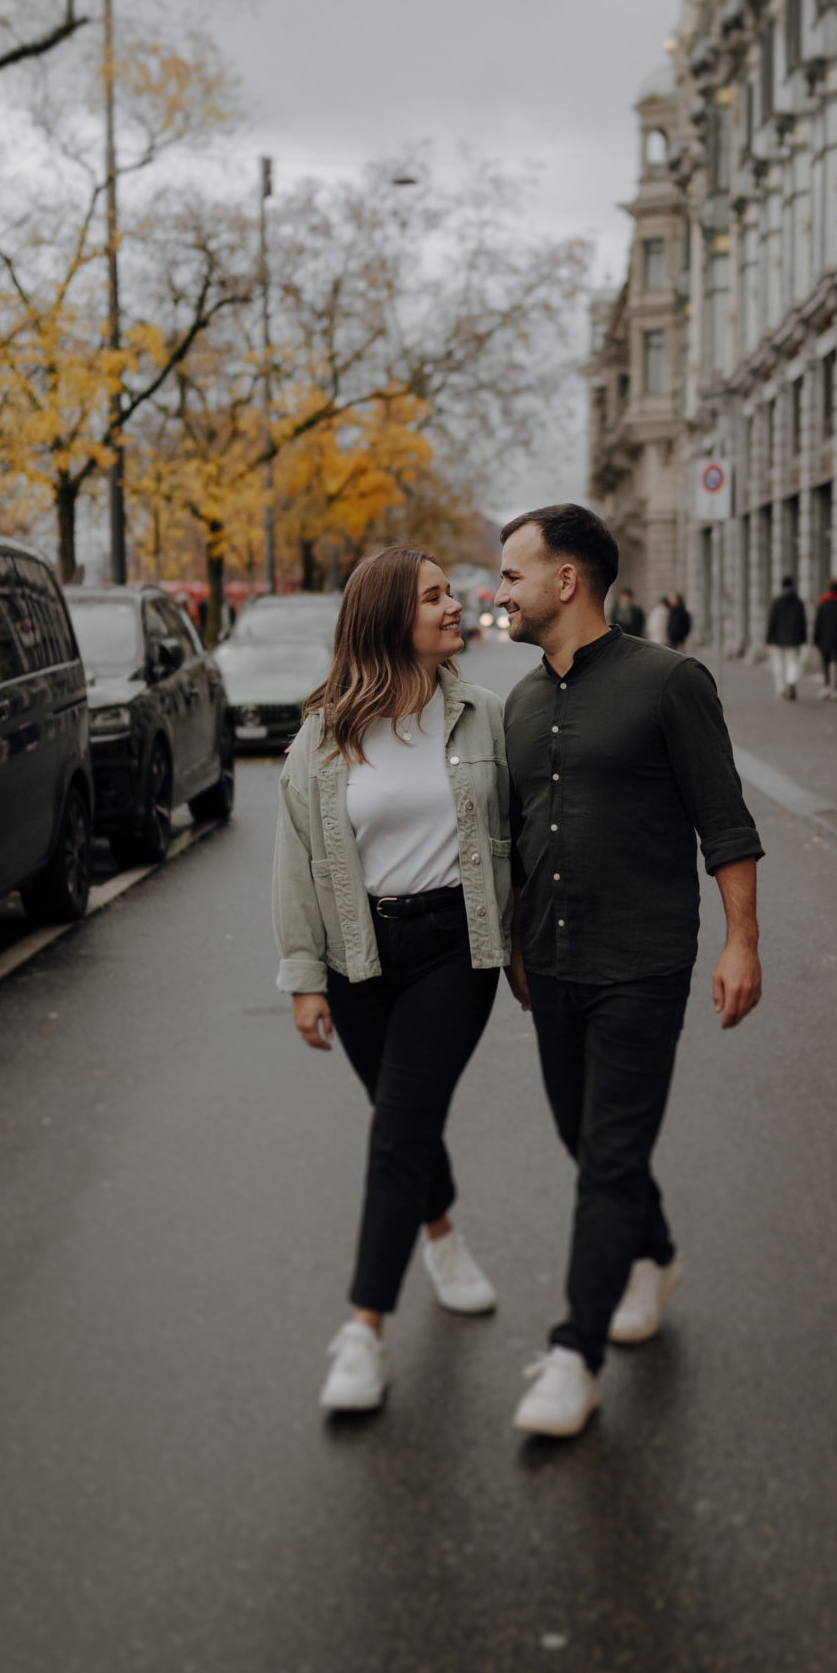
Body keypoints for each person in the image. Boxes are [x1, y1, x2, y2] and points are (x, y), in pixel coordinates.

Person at [498, 504, 763, 1438]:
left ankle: (574, 1354)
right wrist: (516, 947)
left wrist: (742, 941)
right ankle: (652, 1253)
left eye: (512, 575)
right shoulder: (521, 703)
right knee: (586, 1139)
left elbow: (724, 822)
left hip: (644, 963)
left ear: (565, 580)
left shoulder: (669, 682)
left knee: (608, 1156)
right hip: (553, 964)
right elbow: (514, 834)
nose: (500, 592)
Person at [272, 546, 513, 1413]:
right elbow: (295, 862)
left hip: (457, 946)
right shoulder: (325, 733)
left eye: (454, 593)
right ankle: (441, 1236)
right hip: (357, 958)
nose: (457, 606)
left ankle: (363, 1333)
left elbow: (523, 833)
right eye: (436, 597)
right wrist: (305, 976)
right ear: (387, 619)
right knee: (401, 1120)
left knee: (400, 1126)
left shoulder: (483, 716)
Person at [765, 575, 807, 700]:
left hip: (777, 639)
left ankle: (781, 690)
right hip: (793, 639)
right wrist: (802, 639)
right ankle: (791, 682)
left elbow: (772, 621)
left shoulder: (777, 602)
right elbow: (802, 622)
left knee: (778, 665)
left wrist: (768, 639)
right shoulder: (798, 602)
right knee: (792, 662)